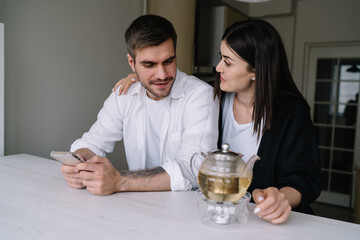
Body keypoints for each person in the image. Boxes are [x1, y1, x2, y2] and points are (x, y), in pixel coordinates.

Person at [114, 19, 321, 224]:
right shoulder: (211, 97)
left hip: (267, 222)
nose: (218, 67)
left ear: (256, 70)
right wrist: (139, 81)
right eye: (220, 57)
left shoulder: (291, 112)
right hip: (218, 218)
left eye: (228, 62)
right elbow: (171, 89)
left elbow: (303, 178)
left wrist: (281, 197)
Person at [61, 15, 219, 196]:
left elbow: (196, 169)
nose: (162, 74)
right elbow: (93, 142)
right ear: (131, 63)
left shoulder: (201, 95)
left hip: (186, 209)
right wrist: (80, 162)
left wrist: (119, 180)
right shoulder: (124, 94)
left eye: (168, 61)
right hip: (136, 207)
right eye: (149, 64)